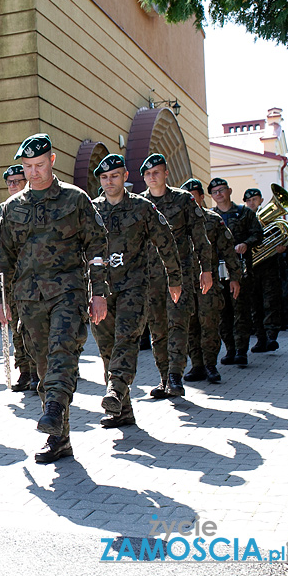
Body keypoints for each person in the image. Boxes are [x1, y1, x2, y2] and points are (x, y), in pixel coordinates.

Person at [0, 134, 107, 463]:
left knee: (62, 351)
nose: (33, 172)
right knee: (43, 364)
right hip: (29, 300)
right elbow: (4, 258)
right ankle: (60, 438)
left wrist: (98, 292)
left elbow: (97, 249)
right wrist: (0, 300)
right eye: (27, 167)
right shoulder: (13, 208)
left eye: (39, 165)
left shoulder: (75, 200)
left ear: (52, 160)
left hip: (67, 292)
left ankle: (54, 409)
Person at [91, 155, 181, 428]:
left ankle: (116, 389)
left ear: (126, 176)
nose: (109, 182)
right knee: (107, 348)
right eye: (104, 178)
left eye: (114, 176)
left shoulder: (143, 208)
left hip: (134, 286)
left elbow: (166, 242)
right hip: (101, 290)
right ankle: (123, 411)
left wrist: (174, 278)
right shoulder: (91, 210)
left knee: (126, 340)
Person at [139, 154, 213, 398]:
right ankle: (163, 378)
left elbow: (200, 237)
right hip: (151, 278)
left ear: (166, 173)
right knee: (157, 328)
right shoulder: (139, 204)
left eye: (156, 172)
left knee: (178, 323)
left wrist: (206, 269)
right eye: (148, 174)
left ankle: (175, 375)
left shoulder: (183, 200)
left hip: (179, 275)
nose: (152, 177)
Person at [181, 178, 241, 384]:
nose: (189, 200)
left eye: (193, 196)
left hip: (208, 282)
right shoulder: (178, 222)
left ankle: (210, 365)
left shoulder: (213, 220)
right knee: (190, 325)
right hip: (185, 283)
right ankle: (196, 365)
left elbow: (229, 251)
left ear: (201, 197)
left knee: (209, 324)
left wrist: (235, 277)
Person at [0, 164, 35, 392]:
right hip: (9, 279)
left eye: (18, 181)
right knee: (16, 327)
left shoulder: (34, 205)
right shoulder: (1, 210)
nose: (14, 186)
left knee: (33, 327)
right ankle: (24, 371)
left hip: (32, 278)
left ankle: (38, 372)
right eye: (10, 182)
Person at [209, 178, 264, 366]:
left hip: (240, 270)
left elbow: (258, 234)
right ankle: (230, 350)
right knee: (223, 312)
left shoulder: (244, 213)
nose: (219, 194)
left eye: (222, 190)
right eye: (215, 191)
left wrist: (246, 244)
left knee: (241, 310)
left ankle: (242, 351)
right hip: (218, 271)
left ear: (229, 191)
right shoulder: (211, 216)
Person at [241, 187, 284, 351]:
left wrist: (282, 249)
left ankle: (271, 336)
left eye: (255, 200)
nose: (252, 203)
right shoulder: (242, 219)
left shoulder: (272, 221)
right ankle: (260, 339)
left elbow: (285, 239)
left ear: (261, 200)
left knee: (271, 302)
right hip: (251, 268)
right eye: (249, 201)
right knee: (255, 304)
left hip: (269, 267)